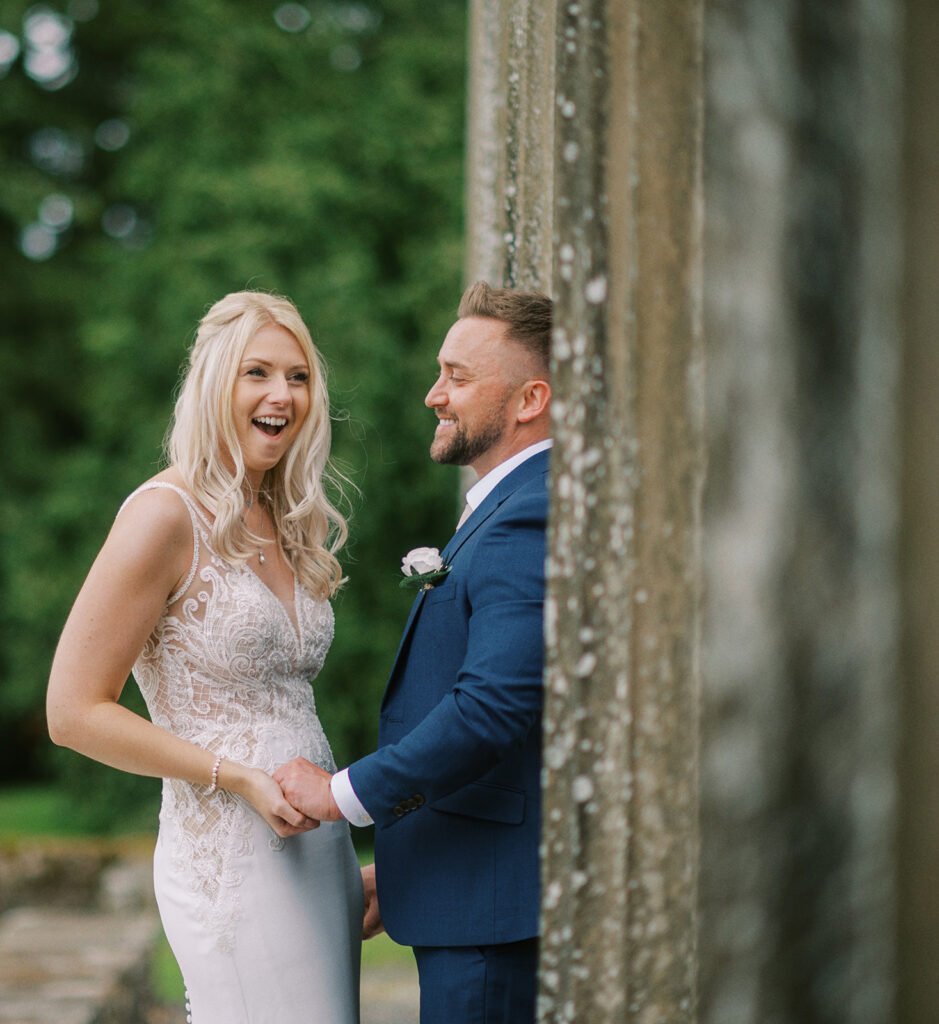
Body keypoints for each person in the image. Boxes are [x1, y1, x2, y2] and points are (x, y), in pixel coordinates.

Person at [46, 291, 363, 1024]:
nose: (281, 394)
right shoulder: (163, 514)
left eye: (298, 376)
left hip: (320, 847)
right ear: (215, 383)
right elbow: (72, 711)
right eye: (257, 372)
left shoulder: (285, 518)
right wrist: (237, 777)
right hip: (227, 850)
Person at [275, 281, 552, 1023]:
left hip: (490, 919)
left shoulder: (530, 512)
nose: (434, 394)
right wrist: (401, 869)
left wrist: (340, 798)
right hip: (465, 892)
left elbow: (493, 709)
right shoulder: (507, 506)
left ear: (528, 401)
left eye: (457, 377)